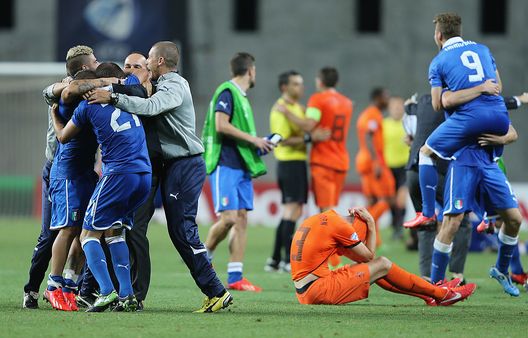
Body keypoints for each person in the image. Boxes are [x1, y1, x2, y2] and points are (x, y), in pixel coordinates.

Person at [87, 41, 232, 312]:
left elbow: (152, 107)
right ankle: (131, 294)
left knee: (182, 231)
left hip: (185, 163)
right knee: (141, 227)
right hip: (167, 166)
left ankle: (216, 291)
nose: (146, 65)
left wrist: (113, 97)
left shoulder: (175, 85)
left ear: (160, 62)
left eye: (149, 60)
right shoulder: (158, 84)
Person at [50, 64, 151, 312]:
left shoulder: (87, 105)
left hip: (119, 173)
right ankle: (127, 295)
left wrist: (54, 115)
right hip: (144, 174)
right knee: (115, 232)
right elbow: (141, 77)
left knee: (87, 235)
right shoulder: (126, 93)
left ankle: (106, 292)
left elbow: (63, 137)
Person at [405, 12, 509, 228]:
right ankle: (490, 216)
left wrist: (451, 94)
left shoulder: (439, 61)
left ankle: (426, 213)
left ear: (438, 35)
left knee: (425, 153)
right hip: (499, 116)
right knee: (482, 159)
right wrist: (482, 88)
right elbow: (497, 86)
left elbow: (437, 104)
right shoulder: (483, 49)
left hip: (470, 118)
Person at [437, 85, 523, 296]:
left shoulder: (492, 103)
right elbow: (443, 101)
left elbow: (512, 132)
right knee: (452, 222)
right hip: (463, 164)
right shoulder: (456, 100)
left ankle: (502, 270)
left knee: (514, 220)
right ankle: (436, 284)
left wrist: (501, 139)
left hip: (490, 165)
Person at [290, 208, 476, 306]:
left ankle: (429, 294)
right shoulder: (343, 228)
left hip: (308, 288)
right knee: (382, 263)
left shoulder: (324, 218)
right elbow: (368, 257)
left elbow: (365, 261)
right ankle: (441, 294)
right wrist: (371, 224)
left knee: (377, 268)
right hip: (317, 290)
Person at [202, 52, 273, 292]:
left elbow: (240, 133)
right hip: (225, 163)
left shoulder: (242, 97)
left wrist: (259, 143)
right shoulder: (227, 92)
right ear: (251, 71)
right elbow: (221, 125)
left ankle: (235, 276)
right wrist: (254, 139)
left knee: (242, 219)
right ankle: (204, 257)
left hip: (242, 165)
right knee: (229, 218)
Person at [403, 94, 472, 283]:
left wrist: (408, 109)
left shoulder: (420, 101)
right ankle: (456, 274)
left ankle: (425, 275)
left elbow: (408, 131)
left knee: (426, 224)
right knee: (462, 218)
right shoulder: (459, 101)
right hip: (437, 170)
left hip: (413, 169)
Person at [264, 70, 329, 273]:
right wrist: (310, 139)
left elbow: (306, 126)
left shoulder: (294, 108)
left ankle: (275, 259)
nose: (300, 87)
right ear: (285, 87)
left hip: (295, 162)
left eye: (300, 83)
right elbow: (280, 139)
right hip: (289, 162)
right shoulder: (279, 110)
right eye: (295, 84)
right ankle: (285, 260)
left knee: (291, 211)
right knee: (293, 211)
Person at [356, 88, 394, 247]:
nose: (388, 100)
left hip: (366, 161)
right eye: (386, 97)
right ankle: (363, 225)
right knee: (388, 198)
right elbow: (368, 136)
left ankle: (374, 240)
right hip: (373, 162)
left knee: (372, 200)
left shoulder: (369, 114)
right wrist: (376, 162)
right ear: (378, 98)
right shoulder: (372, 115)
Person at [382, 96, 409, 239]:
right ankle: (395, 225)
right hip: (388, 167)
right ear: (389, 108)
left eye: (399, 106)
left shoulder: (408, 123)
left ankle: (399, 227)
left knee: (401, 198)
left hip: (404, 166)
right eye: (394, 107)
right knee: (391, 199)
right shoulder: (383, 125)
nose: (397, 109)